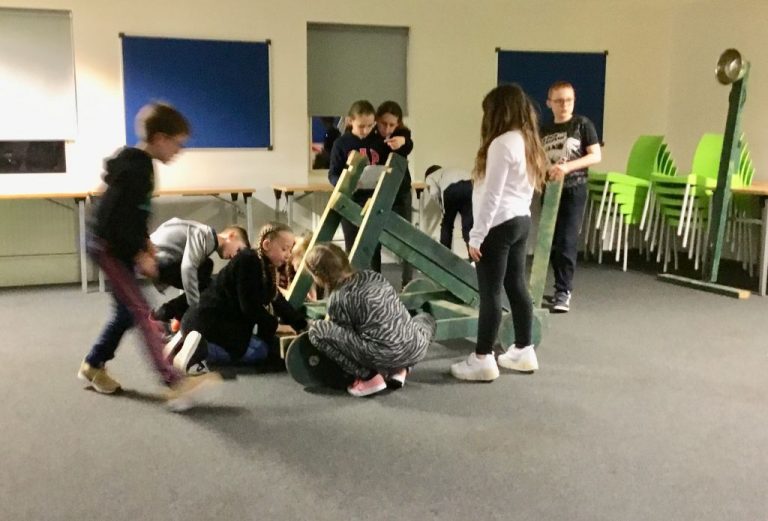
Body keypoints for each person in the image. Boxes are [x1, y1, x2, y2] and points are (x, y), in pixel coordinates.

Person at [78, 102, 221, 410]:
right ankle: (174, 383)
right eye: (177, 144)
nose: (179, 151)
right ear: (159, 138)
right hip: (107, 246)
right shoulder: (135, 169)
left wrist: (145, 243)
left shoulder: (142, 166)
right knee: (141, 310)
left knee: (127, 313)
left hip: (114, 243)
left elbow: (133, 213)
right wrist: (136, 253)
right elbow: (111, 218)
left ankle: (93, 364)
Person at [450, 84, 548, 382]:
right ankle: (524, 350)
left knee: (490, 292)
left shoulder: (501, 144)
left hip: (498, 225)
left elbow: (492, 195)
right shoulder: (528, 140)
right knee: (516, 286)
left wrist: (476, 236)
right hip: (520, 221)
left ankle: (482, 359)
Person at [168, 222, 308, 373]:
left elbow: (276, 299)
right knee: (259, 350)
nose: (288, 254)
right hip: (208, 325)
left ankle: (184, 343)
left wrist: (300, 323)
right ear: (267, 245)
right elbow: (250, 307)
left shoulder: (263, 267)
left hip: (202, 323)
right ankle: (202, 349)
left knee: (257, 343)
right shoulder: (249, 261)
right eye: (284, 249)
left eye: (290, 250)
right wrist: (276, 326)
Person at [304, 243, 436, 397]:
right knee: (426, 318)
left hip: (380, 357)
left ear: (319, 276)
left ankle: (369, 377)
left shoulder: (337, 299)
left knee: (317, 331)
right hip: (414, 350)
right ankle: (401, 369)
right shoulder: (374, 276)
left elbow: (347, 342)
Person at [541, 81, 602, 313]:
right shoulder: (544, 130)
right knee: (552, 241)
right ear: (549, 103)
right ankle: (556, 284)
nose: (564, 105)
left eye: (569, 100)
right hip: (550, 189)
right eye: (559, 100)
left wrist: (568, 167)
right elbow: (538, 158)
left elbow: (595, 155)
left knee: (567, 239)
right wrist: (546, 169)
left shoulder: (582, 124)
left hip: (574, 188)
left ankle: (563, 290)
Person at [327, 100, 391, 273]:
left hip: (373, 200)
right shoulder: (341, 143)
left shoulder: (380, 142)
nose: (366, 130)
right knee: (352, 246)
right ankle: (353, 283)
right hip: (350, 200)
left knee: (373, 246)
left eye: (370, 126)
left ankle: (375, 283)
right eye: (361, 126)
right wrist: (346, 183)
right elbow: (332, 174)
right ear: (350, 121)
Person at [150, 218, 250, 324]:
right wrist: (196, 309)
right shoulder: (207, 235)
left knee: (206, 277)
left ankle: (169, 312)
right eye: (238, 250)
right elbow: (187, 268)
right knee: (210, 280)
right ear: (231, 235)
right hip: (160, 261)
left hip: (157, 258)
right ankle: (169, 312)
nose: (235, 257)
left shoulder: (199, 231)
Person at [375, 100, 415, 287]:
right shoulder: (372, 137)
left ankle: (407, 282)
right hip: (379, 192)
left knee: (406, 239)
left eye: (392, 125)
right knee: (374, 238)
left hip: (401, 193)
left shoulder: (402, 134)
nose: (387, 129)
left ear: (398, 124)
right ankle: (374, 281)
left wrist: (402, 141)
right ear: (377, 120)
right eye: (383, 124)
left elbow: (408, 144)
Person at [424, 165, 473, 252]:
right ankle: (473, 256)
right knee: (468, 225)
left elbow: (434, 193)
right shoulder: (449, 169)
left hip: (451, 189)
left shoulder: (430, 177)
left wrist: (442, 207)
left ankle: (444, 256)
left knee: (447, 225)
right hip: (470, 186)